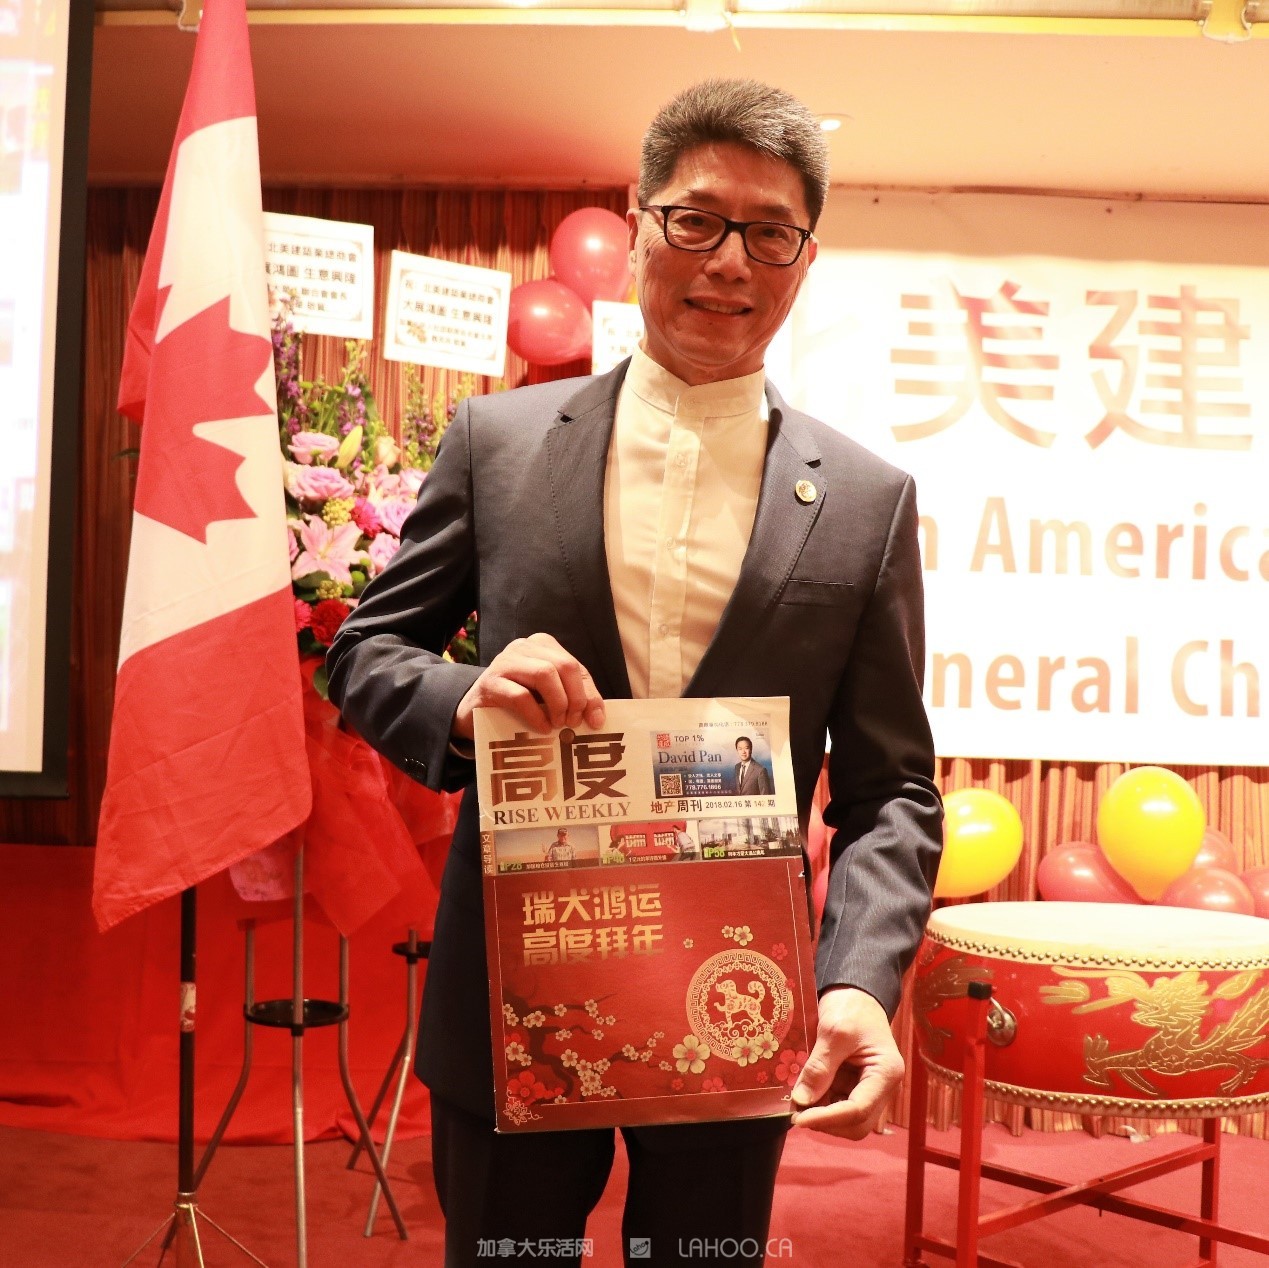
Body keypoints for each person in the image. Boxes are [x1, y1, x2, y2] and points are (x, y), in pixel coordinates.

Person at [328, 77, 942, 1268]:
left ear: (805, 260)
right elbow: (365, 651)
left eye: (771, 232)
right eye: (698, 219)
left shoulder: (867, 502)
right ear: (640, 224)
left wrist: (861, 980)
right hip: (514, 991)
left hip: (738, 1002)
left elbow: (893, 790)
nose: (731, 259)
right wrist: (465, 699)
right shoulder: (500, 445)